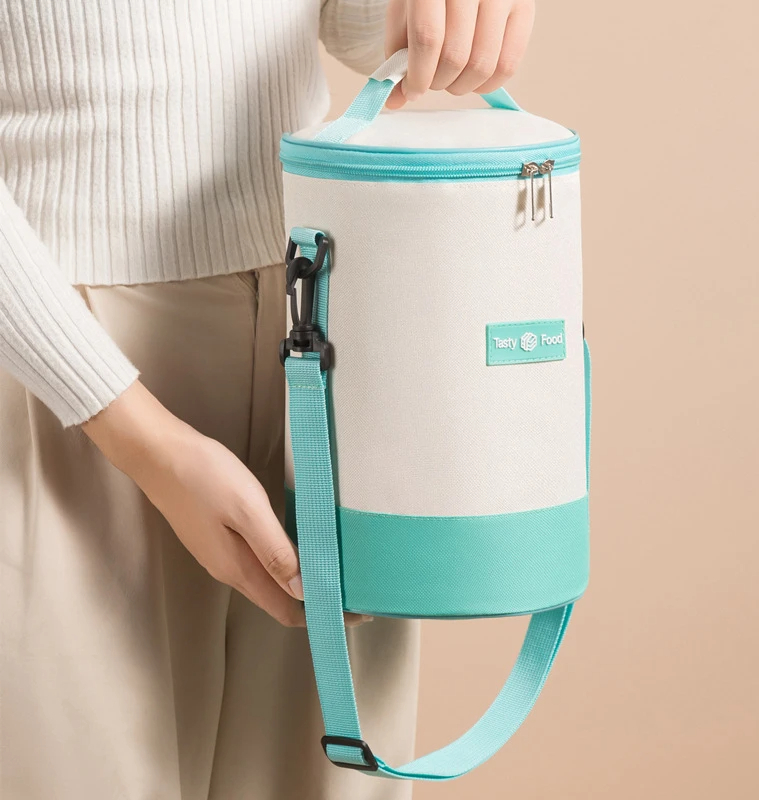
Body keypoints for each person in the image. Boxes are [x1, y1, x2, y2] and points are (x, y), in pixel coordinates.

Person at [0, 1, 536, 797]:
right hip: (54, 350)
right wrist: (140, 436)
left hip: (316, 311)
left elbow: (338, 22)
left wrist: (427, 20)